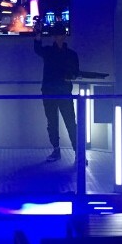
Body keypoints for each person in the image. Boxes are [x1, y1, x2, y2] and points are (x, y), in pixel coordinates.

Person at [34, 22, 80, 163]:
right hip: (52, 92)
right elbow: (37, 49)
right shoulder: (52, 52)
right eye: (57, 35)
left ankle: (76, 152)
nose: (59, 37)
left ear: (64, 36)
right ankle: (58, 150)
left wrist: (70, 76)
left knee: (69, 122)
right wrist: (38, 33)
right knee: (53, 122)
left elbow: (75, 72)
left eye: (60, 34)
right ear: (54, 36)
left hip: (61, 92)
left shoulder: (70, 54)